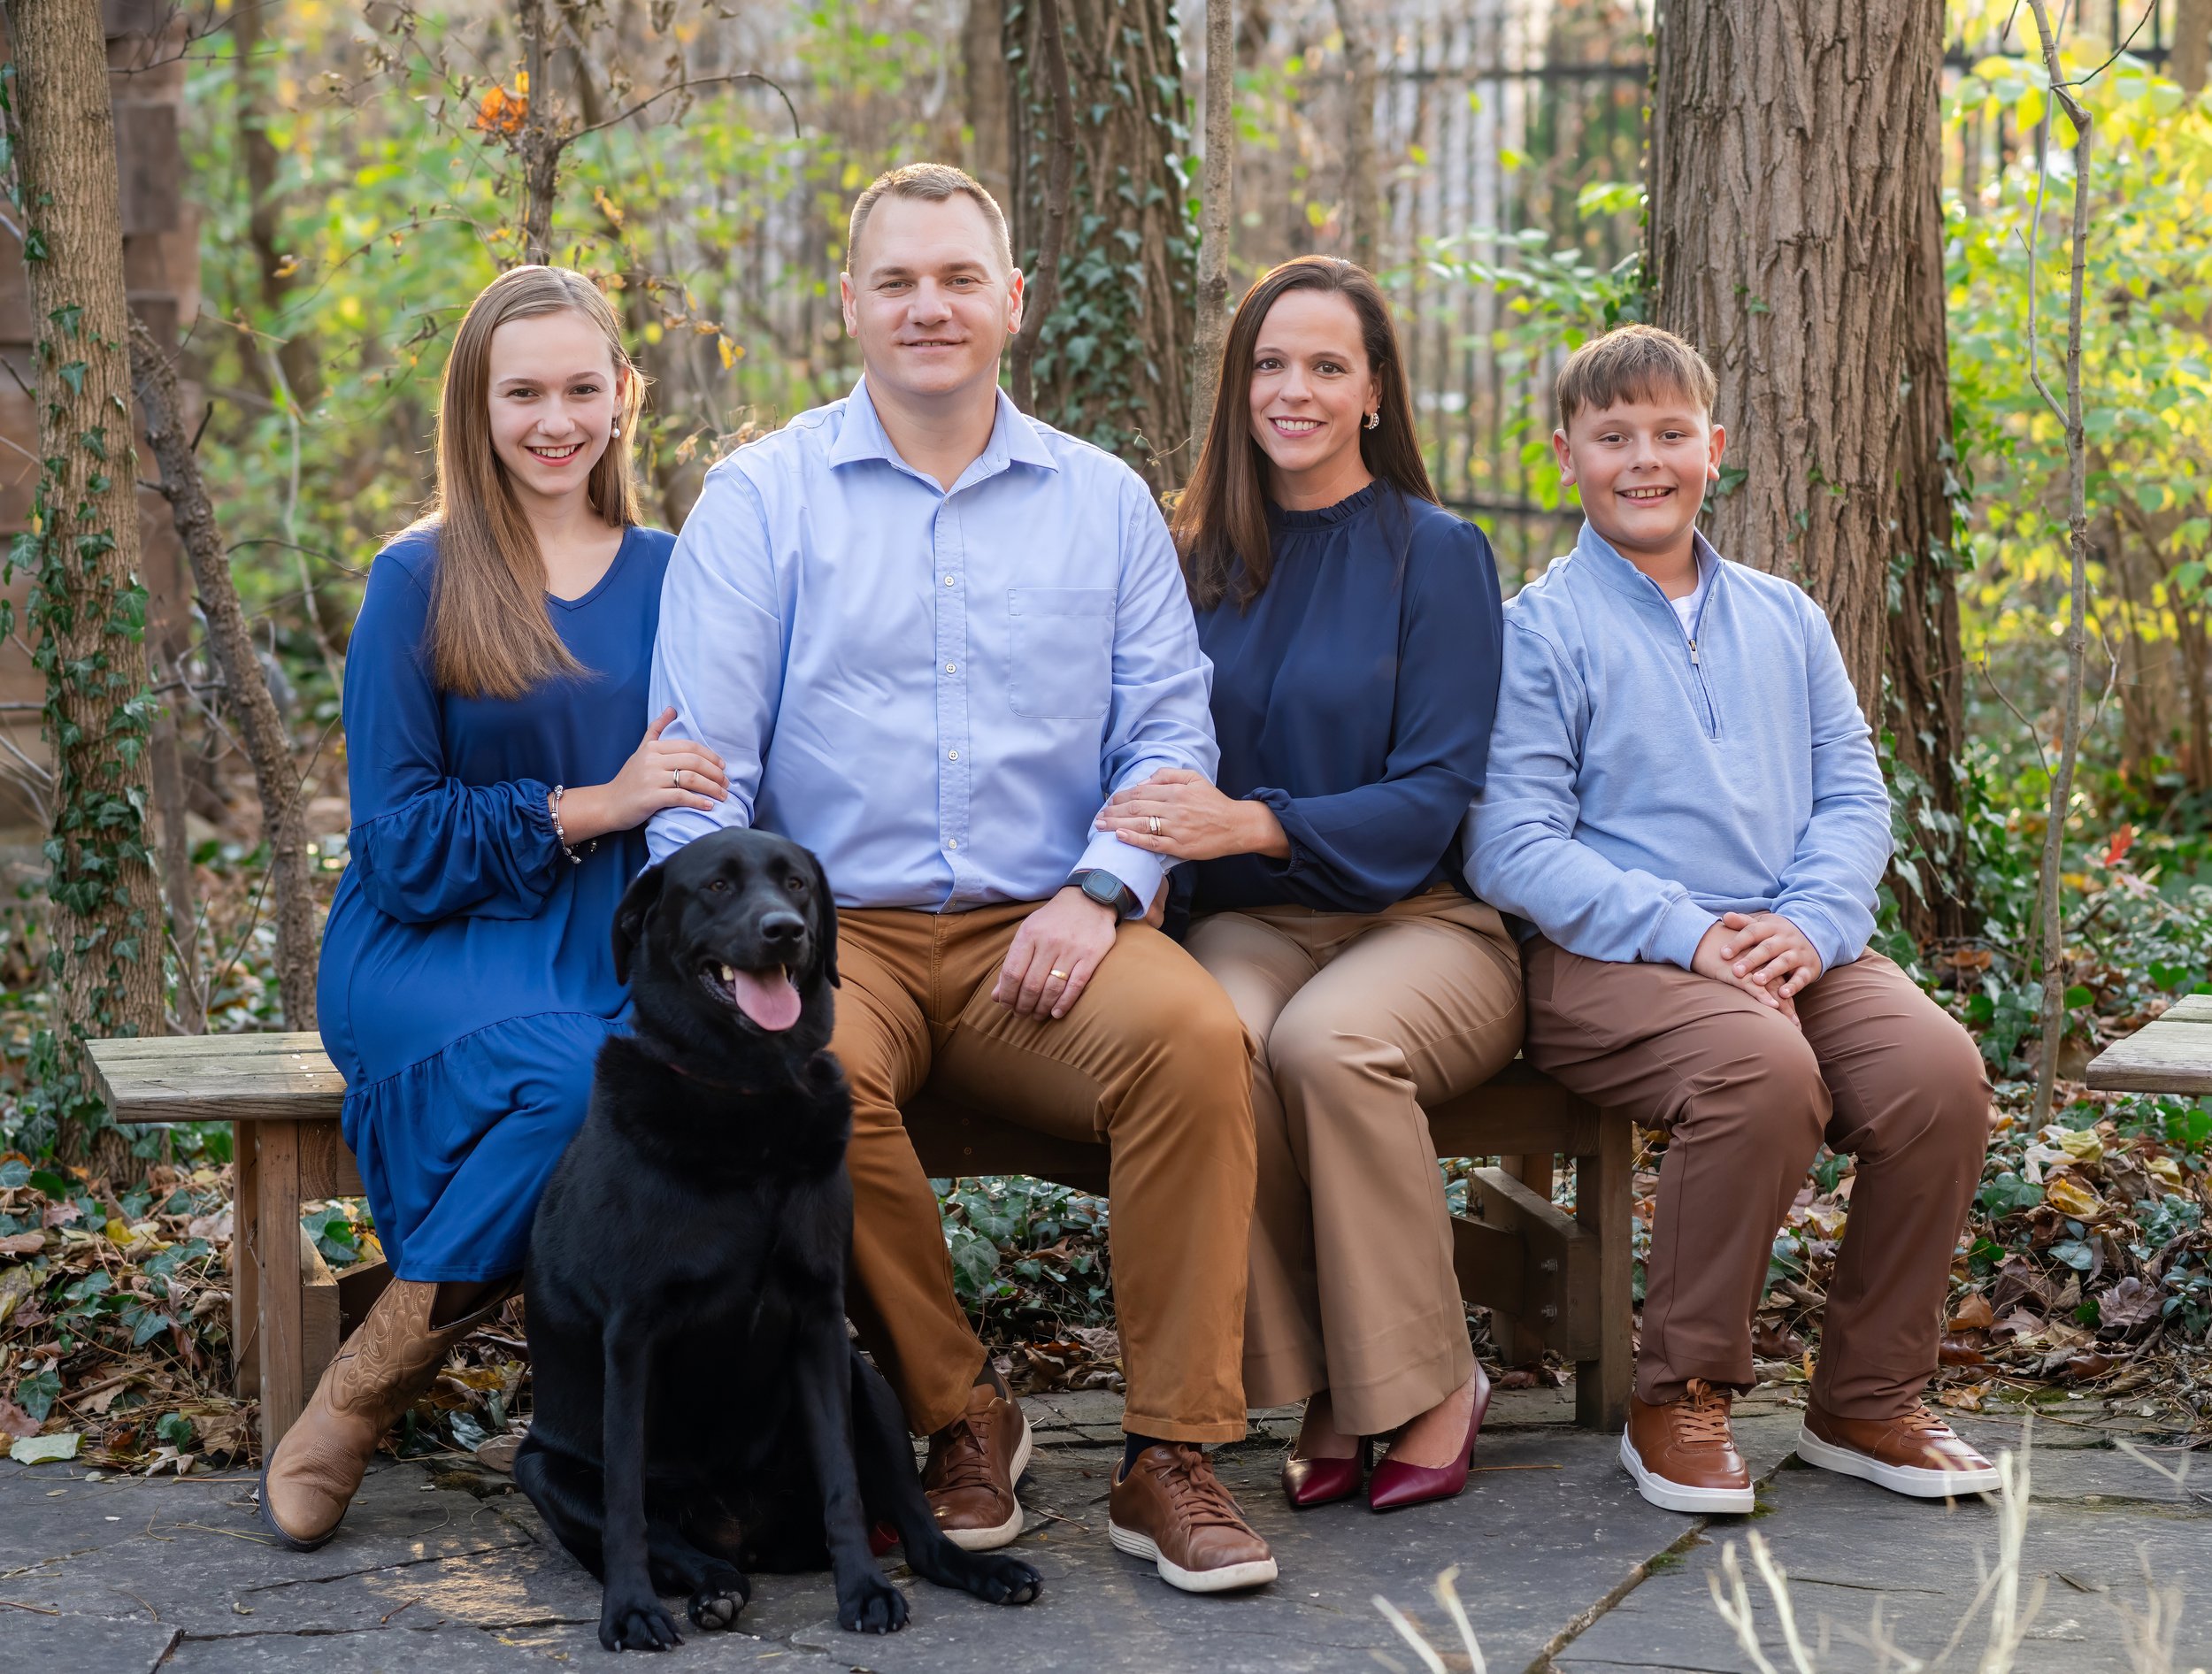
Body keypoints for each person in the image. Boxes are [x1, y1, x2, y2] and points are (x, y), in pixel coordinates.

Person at [646, 164, 1276, 1593]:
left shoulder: (1101, 503)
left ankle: (1169, 1455)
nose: (929, 306)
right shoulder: (762, 500)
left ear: (1014, 303)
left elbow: (1170, 732)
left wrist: (1104, 887)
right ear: (848, 307)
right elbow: (700, 767)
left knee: (1196, 1046)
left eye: (958, 279)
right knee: (795, 1073)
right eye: (897, 281)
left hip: (1048, 926)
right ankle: (958, 1407)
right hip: (824, 931)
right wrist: (754, 954)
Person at [1470, 324, 1997, 1516]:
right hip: (1610, 957)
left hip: (1792, 942)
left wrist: (1809, 924)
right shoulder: (1540, 631)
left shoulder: (1786, 618)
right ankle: (1682, 1392)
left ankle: (1866, 1399)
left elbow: (1856, 797)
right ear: (1566, 457)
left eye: (1668, 435)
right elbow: (1511, 848)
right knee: (1761, 1074)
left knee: (1939, 1075)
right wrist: (1690, 934)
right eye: (1614, 439)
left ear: (1715, 448)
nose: (1643, 461)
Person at [263, 267, 727, 1550]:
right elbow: (398, 839)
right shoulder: (415, 578)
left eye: (583, 388)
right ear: (475, 405)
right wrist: (597, 803)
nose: (554, 420)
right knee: (584, 1079)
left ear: (626, 399)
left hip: (609, 938)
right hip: (428, 942)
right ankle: (357, 1400)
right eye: (522, 392)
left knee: (643, 1072)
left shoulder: (679, 571)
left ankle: (602, 1418)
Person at [1095, 257, 1517, 1513]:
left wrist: (1258, 823)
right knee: (1222, 1044)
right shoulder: (1187, 561)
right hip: (1251, 927)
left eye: (1328, 366)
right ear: (1238, 388)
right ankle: (1337, 1378)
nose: (1296, 390)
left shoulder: (1437, 555)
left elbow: (1438, 789)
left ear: (1375, 394)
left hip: (1421, 919)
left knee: (1332, 1047)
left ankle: (1435, 1381)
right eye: (1271, 365)